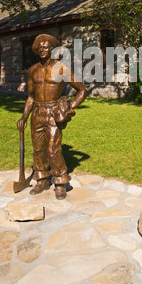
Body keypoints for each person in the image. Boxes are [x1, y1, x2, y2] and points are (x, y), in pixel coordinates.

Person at [17, 34, 87, 199]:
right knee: (38, 149)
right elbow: (31, 97)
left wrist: (70, 107)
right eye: (39, 47)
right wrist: (24, 117)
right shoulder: (33, 70)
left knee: (53, 149)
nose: (42, 49)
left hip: (53, 113)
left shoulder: (61, 68)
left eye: (46, 47)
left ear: (52, 49)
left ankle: (60, 182)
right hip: (37, 113)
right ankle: (41, 180)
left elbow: (82, 90)